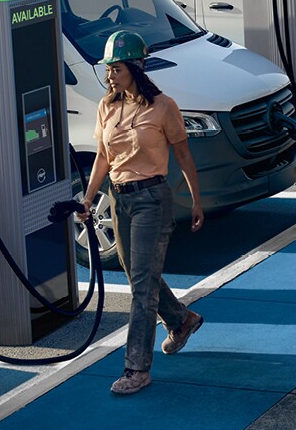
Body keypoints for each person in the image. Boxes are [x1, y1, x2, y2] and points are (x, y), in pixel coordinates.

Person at [77, 29, 205, 395]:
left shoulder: (164, 107)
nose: (110, 75)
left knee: (142, 289)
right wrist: (88, 199)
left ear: (135, 67)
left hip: (152, 198)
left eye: (117, 68)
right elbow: (103, 158)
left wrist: (196, 200)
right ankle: (182, 320)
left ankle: (136, 368)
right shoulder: (107, 107)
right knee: (139, 280)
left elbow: (183, 156)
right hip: (120, 200)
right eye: (108, 69)